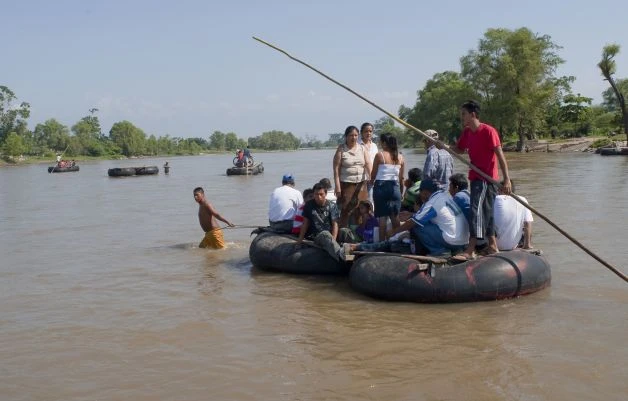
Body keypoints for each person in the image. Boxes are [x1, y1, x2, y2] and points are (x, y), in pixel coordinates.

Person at [452, 100, 512, 260]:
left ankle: (471, 248)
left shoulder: (488, 131)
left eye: (463, 114)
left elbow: (500, 155)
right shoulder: (467, 132)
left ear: (473, 115)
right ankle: (492, 245)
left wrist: (506, 179)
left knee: (476, 210)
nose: (462, 117)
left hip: (487, 178)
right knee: (487, 212)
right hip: (476, 177)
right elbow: (458, 149)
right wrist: (442, 146)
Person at [387, 179, 469, 257]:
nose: (421, 195)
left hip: (453, 240)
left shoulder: (432, 202)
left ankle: (439, 252)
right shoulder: (444, 195)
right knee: (424, 222)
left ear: (425, 192)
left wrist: (394, 231)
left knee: (417, 226)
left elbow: (413, 222)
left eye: (421, 192)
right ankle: (454, 250)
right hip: (463, 241)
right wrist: (412, 214)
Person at [333, 125, 372, 228]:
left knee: (361, 209)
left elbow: (368, 164)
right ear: (346, 136)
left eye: (355, 135)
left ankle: (359, 232)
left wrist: (372, 178)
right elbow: (336, 170)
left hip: (361, 185)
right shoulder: (341, 149)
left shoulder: (362, 148)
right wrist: (337, 187)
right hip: (346, 184)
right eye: (351, 135)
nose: (353, 137)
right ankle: (343, 233)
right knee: (345, 209)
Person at [297, 183, 347, 261]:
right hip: (316, 236)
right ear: (313, 194)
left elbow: (335, 224)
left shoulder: (332, 206)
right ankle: (340, 254)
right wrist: (300, 240)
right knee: (325, 234)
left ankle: (357, 249)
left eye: (321, 194)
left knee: (345, 231)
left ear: (325, 194)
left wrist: (333, 240)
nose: (318, 197)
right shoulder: (309, 205)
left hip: (330, 235)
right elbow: (305, 223)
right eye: (316, 194)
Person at [371, 132, 405, 241]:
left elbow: (373, 175)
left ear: (384, 143)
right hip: (395, 188)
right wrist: (401, 192)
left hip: (381, 187)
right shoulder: (400, 157)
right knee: (395, 217)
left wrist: (370, 184)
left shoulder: (380, 155)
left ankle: (381, 244)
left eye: (381, 142)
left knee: (382, 218)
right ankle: (397, 240)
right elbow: (401, 179)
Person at [493, 180, 533, 251]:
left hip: (495, 245)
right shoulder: (522, 199)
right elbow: (528, 223)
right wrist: (527, 245)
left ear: (499, 190)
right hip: (513, 245)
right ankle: (527, 244)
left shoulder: (495, 199)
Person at [359, 122, 378, 204]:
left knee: (372, 200)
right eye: (366, 131)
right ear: (361, 133)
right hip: (361, 179)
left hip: (373, 178)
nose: (368, 133)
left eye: (370, 131)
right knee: (362, 201)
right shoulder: (358, 145)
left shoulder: (374, 146)